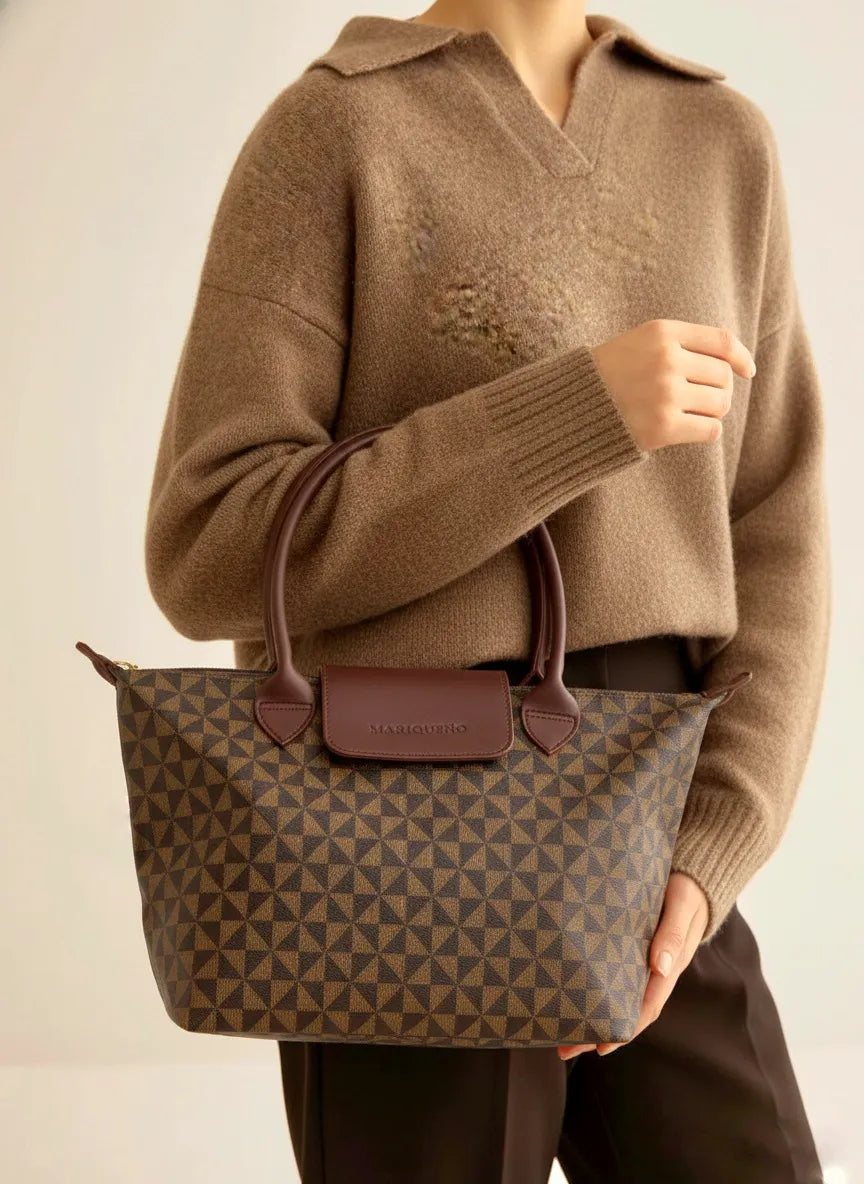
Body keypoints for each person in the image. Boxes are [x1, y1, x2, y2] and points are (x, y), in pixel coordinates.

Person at [143, 2, 830, 1180]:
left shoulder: (720, 139)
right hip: (387, 807)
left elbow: (777, 528)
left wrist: (717, 835)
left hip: (652, 787)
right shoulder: (335, 128)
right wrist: (575, 414)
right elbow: (209, 540)